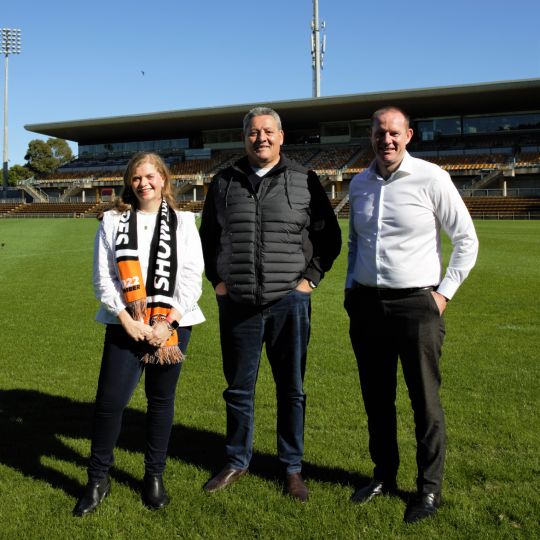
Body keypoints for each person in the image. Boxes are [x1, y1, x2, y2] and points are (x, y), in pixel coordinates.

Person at [199, 107, 341, 502]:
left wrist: (308, 282)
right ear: (244, 138)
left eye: (267, 131)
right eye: (253, 132)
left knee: (291, 389)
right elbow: (207, 237)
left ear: (281, 136)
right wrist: (219, 282)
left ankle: (292, 468)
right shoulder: (224, 180)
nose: (260, 138)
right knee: (239, 390)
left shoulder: (304, 179)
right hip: (238, 303)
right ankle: (236, 460)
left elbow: (329, 239)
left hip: (288, 303)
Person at [345, 106, 479, 523]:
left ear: (409, 135)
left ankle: (428, 490)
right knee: (377, 401)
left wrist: (443, 296)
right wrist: (351, 288)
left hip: (417, 306)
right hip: (367, 306)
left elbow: (466, 240)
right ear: (371, 136)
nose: (387, 139)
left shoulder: (432, 177)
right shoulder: (360, 183)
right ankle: (383, 475)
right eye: (380, 132)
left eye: (395, 132)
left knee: (425, 402)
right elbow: (356, 242)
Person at [73, 152, 205, 516]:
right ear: (129, 183)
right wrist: (127, 320)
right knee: (109, 403)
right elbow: (103, 276)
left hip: (173, 326)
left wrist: (167, 323)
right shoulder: (114, 220)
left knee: (160, 402)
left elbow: (192, 277)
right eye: (136, 178)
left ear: (163, 178)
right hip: (124, 324)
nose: (143, 183)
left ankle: (153, 477)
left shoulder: (183, 222)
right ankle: (98, 479)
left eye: (150, 176)